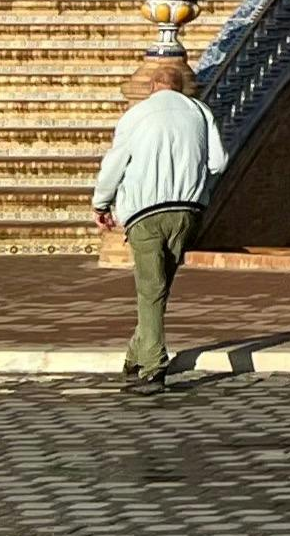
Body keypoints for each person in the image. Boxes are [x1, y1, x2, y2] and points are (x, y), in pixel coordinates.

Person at [90, 54, 227, 392]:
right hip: (186, 210)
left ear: (152, 88)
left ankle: (153, 366)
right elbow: (219, 161)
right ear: (180, 88)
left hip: (145, 211)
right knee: (159, 285)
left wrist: (101, 202)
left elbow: (115, 163)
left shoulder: (136, 115)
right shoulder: (199, 112)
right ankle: (137, 353)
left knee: (150, 287)